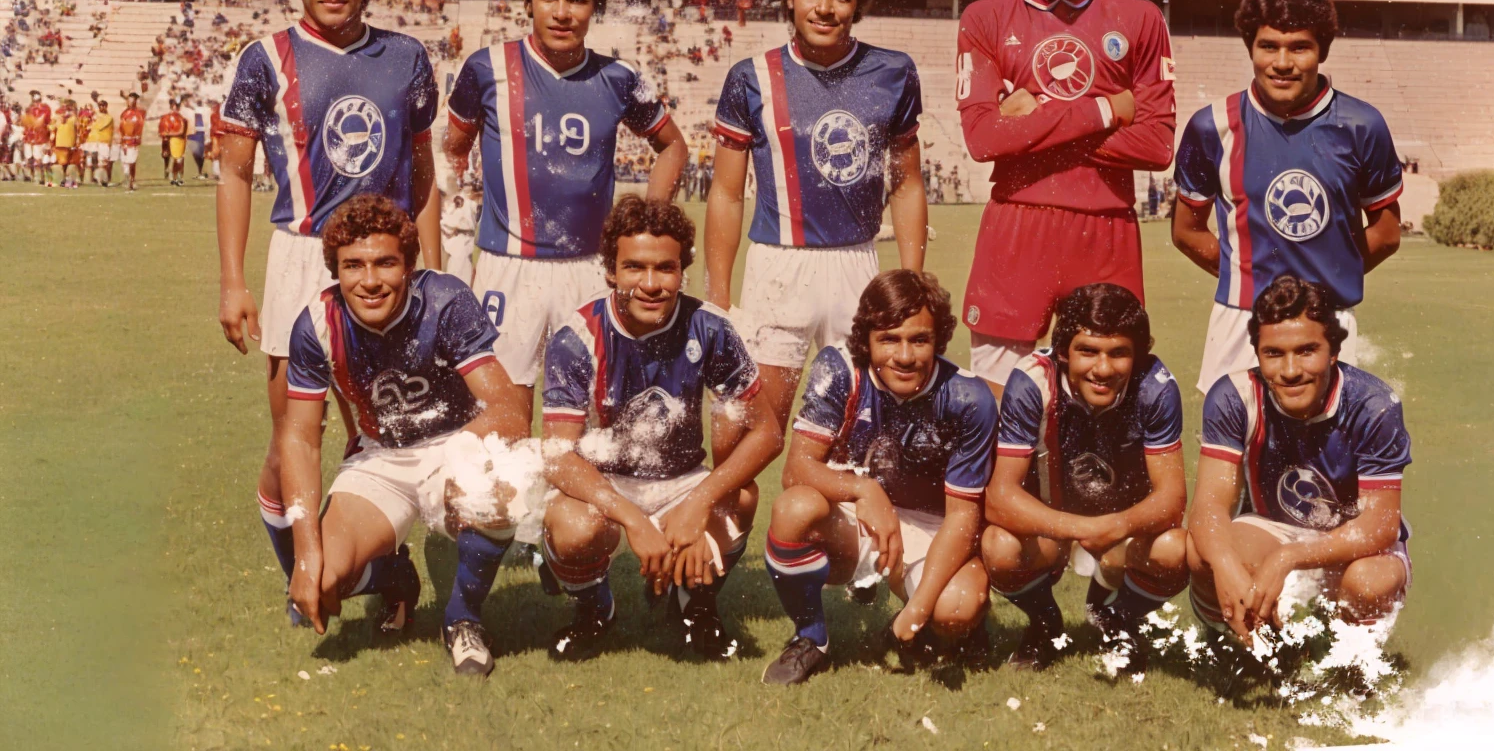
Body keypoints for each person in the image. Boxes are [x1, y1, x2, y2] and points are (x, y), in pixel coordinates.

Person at [214, 0, 442, 621]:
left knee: (388, 429)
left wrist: (430, 269)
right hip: (299, 258)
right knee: (291, 440)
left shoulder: (407, 57)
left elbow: (423, 167)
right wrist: (231, 282)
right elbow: (232, 173)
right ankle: (324, 579)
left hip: (388, 267)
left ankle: (380, 562)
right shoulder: (263, 58)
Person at [443, 0, 687, 440]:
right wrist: (456, 239)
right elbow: (453, 150)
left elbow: (672, 146)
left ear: (594, 6)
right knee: (502, 427)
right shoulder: (485, 68)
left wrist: (648, 225)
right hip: (506, 267)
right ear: (527, 0)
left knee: (598, 431)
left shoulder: (620, 78)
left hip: (589, 271)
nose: (561, 11)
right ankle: (504, 520)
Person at [279, 195, 529, 676]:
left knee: (493, 499)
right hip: (382, 456)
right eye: (353, 266)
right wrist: (306, 553)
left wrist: (454, 459)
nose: (369, 281)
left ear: (409, 267)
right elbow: (300, 441)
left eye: (385, 263)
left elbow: (509, 412)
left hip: (459, 442)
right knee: (324, 579)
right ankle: (394, 574)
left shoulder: (445, 299)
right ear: (335, 270)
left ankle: (463, 620)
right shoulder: (315, 324)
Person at [956, 0, 1175, 399]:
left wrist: (1032, 126)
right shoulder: (984, 19)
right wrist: (1104, 110)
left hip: (1106, 229)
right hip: (1017, 225)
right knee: (997, 413)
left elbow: (1156, 142)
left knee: (1100, 411)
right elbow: (984, 139)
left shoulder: (1141, 19)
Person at [707, 0, 928, 468]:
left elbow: (907, 183)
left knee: (857, 444)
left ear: (858, 4)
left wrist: (911, 283)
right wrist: (718, 295)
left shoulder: (893, 72)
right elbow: (727, 192)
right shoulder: (750, 77)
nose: (824, 8)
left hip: (856, 267)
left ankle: (827, 550)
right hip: (777, 267)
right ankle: (718, 547)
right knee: (739, 441)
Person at [539, 197, 778, 661]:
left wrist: (699, 501)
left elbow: (767, 432)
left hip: (680, 480)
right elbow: (557, 456)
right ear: (611, 271)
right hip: (604, 482)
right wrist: (630, 517)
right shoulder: (578, 336)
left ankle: (695, 605)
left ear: (681, 271)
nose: (650, 284)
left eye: (665, 269)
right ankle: (593, 608)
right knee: (573, 528)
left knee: (743, 496)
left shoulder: (709, 327)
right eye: (634, 268)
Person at [760, 271, 996, 685]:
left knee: (956, 609)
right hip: (860, 514)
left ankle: (936, 627)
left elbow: (962, 518)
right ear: (865, 338)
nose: (904, 356)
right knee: (794, 509)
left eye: (919, 340)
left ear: (937, 340)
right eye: (888, 338)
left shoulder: (967, 398)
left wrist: (916, 612)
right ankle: (811, 639)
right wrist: (863, 488)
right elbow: (797, 468)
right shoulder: (840, 368)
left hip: (933, 525)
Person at [1172, 0, 1403, 393]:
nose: (1282, 62)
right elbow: (1186, 231)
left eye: (1299, 46)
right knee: (1230, 451)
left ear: (1321, 51)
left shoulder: (1361, 125)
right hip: (1238, 321)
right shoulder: (1211, 127)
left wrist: (1322, 286)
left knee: (1330, 452)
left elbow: (1386, 234)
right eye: (1268, 46)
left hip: (1329, 321)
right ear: (1250, 48)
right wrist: (1248, 279)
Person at [1187, 275, 1411, 640]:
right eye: (1274, 353)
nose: (1290, 371)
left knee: (1369, 584)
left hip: (1351, 539)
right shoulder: (1233, 396)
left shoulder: (1374, 405)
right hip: (1273, 528)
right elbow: (1208, 506)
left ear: (1333, 350)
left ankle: (1351, 662)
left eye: (1307, 350)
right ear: (1257, 352)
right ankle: (1231, 642)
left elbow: (1380, 525)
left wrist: (1287, 559)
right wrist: (1226, 564)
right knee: (1203, 550)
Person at [982, 284, 1187, 674]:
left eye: (1119, 353)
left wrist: (1115, 527)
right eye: (1087, 351)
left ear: (1139, 353)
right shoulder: (1032, 382)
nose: (1103, 369)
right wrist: (1079, 527)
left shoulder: (1155, 386)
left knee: (1174, 550)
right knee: (998, 546)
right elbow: (1000, 497)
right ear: (1063, 351)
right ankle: (1045, 623)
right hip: (1052, 527)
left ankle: (1115, 617)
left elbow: (1172, 498)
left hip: (1119, 532)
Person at [440, 185, 479, 284]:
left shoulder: (469, 203)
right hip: (457, 246)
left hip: (465, 245)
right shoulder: (452, 205)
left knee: (464, 272)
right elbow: (447, 224)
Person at [118, 91, 146, 192]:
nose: (130, 102)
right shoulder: (124, 113)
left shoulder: (140, 113)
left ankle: (131, 181)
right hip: (124, 141)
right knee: (124, 162)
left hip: (133, 142)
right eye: (129, 100)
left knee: (131, 162)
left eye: (132, 100)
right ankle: (127, 179)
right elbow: (121, 127)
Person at [83, 97, 114, 186]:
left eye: (103, 106)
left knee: (102, 162)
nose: (102, 107)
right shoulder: (94, 116)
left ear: (106, 107)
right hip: (92, 140)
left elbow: (100, 126)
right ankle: (91, 179)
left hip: (103, 141)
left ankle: (102, 179)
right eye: (100, 106)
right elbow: (88, 126)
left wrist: (94, 118)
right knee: (91, 160)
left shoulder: (108, 117)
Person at [21, 90, 50, 185]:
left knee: (39, 159)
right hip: (29, 137)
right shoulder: (29, 109)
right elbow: (25, 122)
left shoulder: (45, 108)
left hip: (39, 137)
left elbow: (46, 121)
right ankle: (31, 176)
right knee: (29, 158)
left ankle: (41, 177)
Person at [158, 97, 188, 187]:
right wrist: (165, 134)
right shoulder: (165, 118)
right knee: (168, 156)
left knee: (179, 159)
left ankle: (178, 176)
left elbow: (182, 132)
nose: (175, 107)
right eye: (174, 105)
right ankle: (169, 172)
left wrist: (169, 134)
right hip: (169, 140)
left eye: (177, 105)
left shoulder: (182, 119)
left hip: (178, 141)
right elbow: (161, 131)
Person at [53, 99, 79, 188]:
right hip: (61, 142)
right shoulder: (59, 117)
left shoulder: (73, 118)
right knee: (63, 163)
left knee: (70, 163)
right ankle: (63, 179)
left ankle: (69, 179)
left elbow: (78, 128)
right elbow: (53, 127)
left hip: (70, 141)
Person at [186, 100, 209, 179]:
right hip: (193, 132)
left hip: (200, 132)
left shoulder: (203, 110)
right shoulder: (189, 111)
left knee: (200, 153)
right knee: (195, 153)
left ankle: (201, 171)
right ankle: (200, 171)